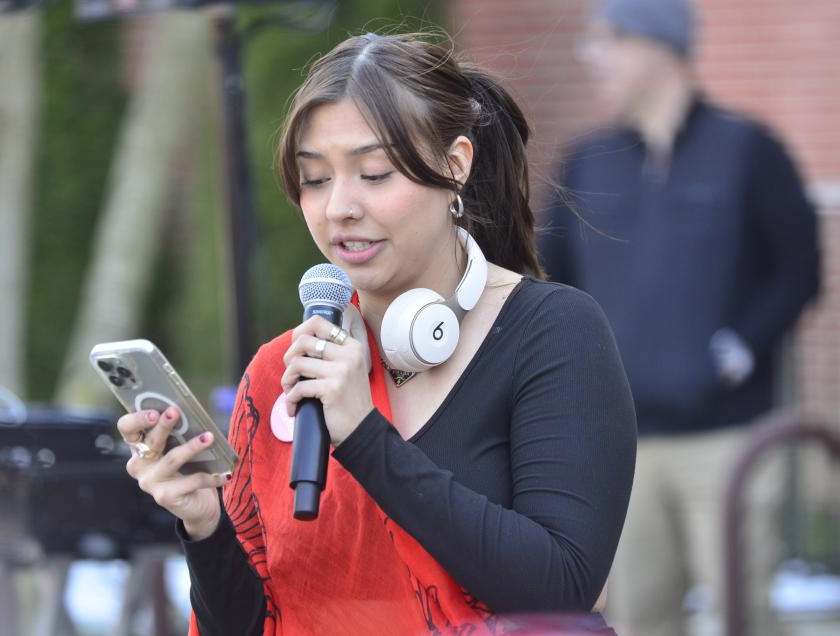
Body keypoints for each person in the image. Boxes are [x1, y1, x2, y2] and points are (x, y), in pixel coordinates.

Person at [118, 31, 637, 635]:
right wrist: (204, 525)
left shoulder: (553, 332)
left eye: (374, 172)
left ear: (455, 165)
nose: (339, 207)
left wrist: (365, 435)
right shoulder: (280, 373)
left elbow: (562, 588)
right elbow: (247, 624)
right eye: (315, 179)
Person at [538, 1, 821, 635]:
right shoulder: (587, 162)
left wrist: (742, 346)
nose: (593, 57)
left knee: (742, 615)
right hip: (623, 447)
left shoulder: (749, 149)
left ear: (656, 46)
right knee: (638, 618)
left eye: (605, 40)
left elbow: (800, 266)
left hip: (729, 441)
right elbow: (549, 282)